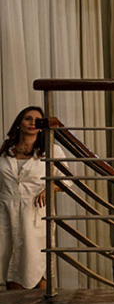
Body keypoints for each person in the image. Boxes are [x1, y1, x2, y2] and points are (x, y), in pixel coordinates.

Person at [0, 106, 64, 290]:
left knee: (34, 265)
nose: (32, 123)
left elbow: (66, 180)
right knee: (8, 264)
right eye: (28, 118)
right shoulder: (5, 150)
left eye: (37, 120)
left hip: (34, 212)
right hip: (5, 212)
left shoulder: (51, 151)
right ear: (19, 122)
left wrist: (50, 188)